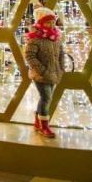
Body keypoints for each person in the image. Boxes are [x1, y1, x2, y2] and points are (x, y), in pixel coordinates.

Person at [25, 7, 65, 138]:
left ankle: (38, 122)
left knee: (46, 98)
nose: (51, 24)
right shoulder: (35, 38)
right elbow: (30, 56)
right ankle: (44, 126)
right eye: (48, 22)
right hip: (40, 75)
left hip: (54, 73)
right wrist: (42, 70)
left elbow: (61, 54)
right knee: (46, 98)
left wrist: (61, 68)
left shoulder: (56, 38)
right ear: (41, 23)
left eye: (53, 22)